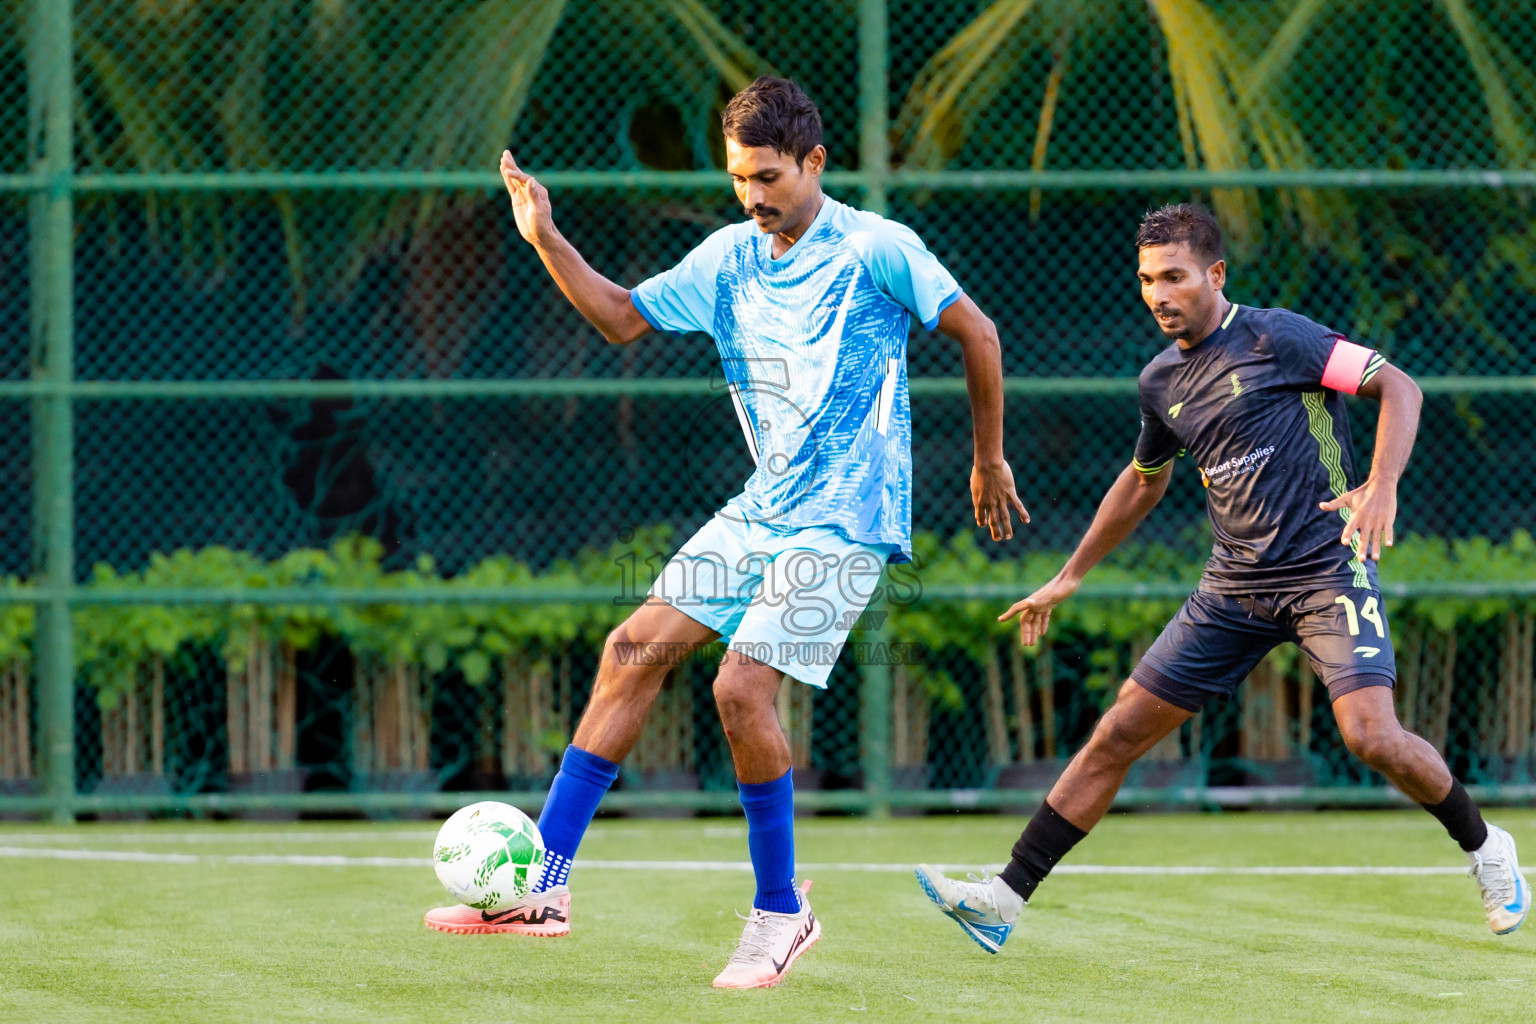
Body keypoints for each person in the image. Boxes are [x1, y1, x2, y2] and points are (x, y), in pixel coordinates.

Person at [424, 76, 1030, 988]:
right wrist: (545, 237)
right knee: (631, 649)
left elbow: (977, 333)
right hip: (762, 513)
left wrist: (988, 460)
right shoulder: (727, 259)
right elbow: (622, 317)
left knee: (741, 689)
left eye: (770, 177)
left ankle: (781, 914)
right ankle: (541, 886)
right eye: (740, 178)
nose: (753, 196)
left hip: (848, 524)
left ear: (815, 163)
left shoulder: (879, 248)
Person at [915, 203, 1528, 953]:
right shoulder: (1160, 381)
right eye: (1146, 279)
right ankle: (1004, 898)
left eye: (1174, 276)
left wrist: (1382, 483)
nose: (1158, 293)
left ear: (1215, 274)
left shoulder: (1280, 338)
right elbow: (1143, 482)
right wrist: (1068, 575)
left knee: (1369, 735)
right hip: (1232, 587)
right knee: (1117, 732)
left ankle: (1486, 846)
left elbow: (1399, 386)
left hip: (1325, 569)